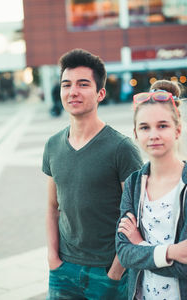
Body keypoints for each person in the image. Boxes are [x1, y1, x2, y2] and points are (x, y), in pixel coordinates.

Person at [42, 48, 143, 300]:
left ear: (100, 93)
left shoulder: (122, 148)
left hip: (108, 271)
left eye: (83, 84)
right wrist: (53, 259)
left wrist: (116, 271)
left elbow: (137, 214)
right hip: (63, 269)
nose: (72, 91)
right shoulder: (53, 145)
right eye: (66, 84)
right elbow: (52, 207)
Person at [116, 79, 187, 300]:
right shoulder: (134, 183)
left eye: (162, 126)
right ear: (136, 134)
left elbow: (185, 267)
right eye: (145, 127)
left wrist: (140, 245)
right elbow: (124, 253)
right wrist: (169, 252)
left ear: (177, 130)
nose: (153, 134)